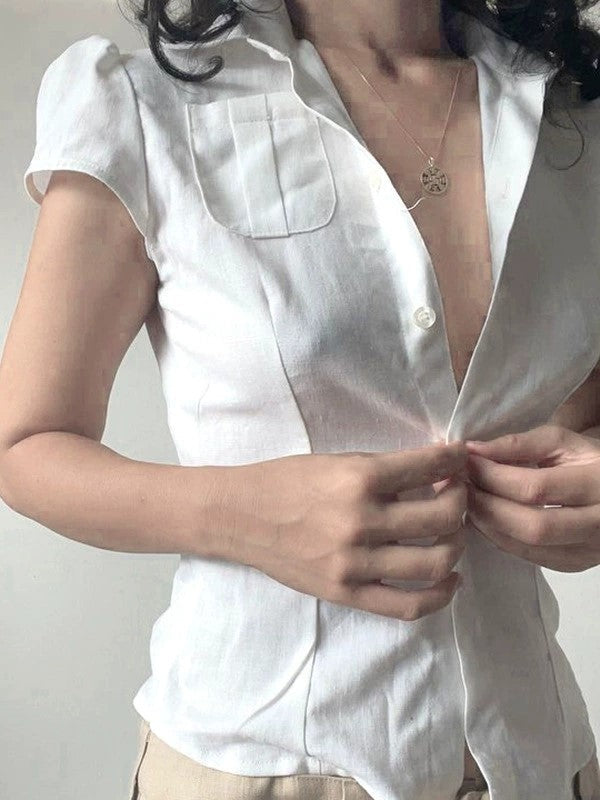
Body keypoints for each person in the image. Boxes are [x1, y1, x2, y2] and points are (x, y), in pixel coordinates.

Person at [3, 0, 600, 798]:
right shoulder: (148, 105)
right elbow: (25, 444)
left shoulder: (575, 117)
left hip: (543, 763)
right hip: (259, 764)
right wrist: (242, 515)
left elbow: (581, 414)